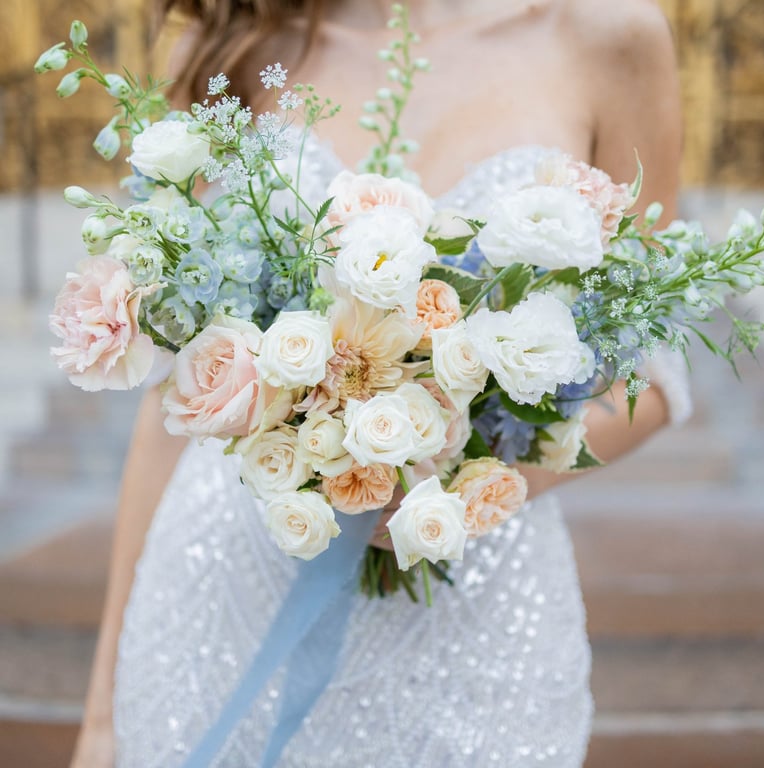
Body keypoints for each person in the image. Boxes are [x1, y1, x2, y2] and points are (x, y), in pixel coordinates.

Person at [71, 0, 685, 765]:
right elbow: (172, 396)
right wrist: (100, 719)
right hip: (221, 598)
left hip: (473, 621)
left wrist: (446, 480)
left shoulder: (609, 35)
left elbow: (654, 374)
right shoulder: (231, 37)